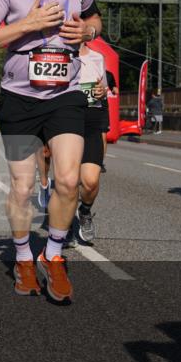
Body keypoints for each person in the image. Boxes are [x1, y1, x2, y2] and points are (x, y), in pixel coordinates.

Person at [0, 0, 102, 303]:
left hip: (66, 94)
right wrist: (28, 24)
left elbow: (97, 20)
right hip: (19, 97)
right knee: (24, 187)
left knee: (68, 180)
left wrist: (87, 29)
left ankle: (56, 254)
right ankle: (25, 256)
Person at [71, 41, 108, 245]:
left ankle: (84, 211)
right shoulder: (59, 54)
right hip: (66, 118)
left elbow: (102, 86)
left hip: (92, 118)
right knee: (67, 180)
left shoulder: (97, 57)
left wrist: (102, 91)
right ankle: (62, 221)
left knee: (91, 181)